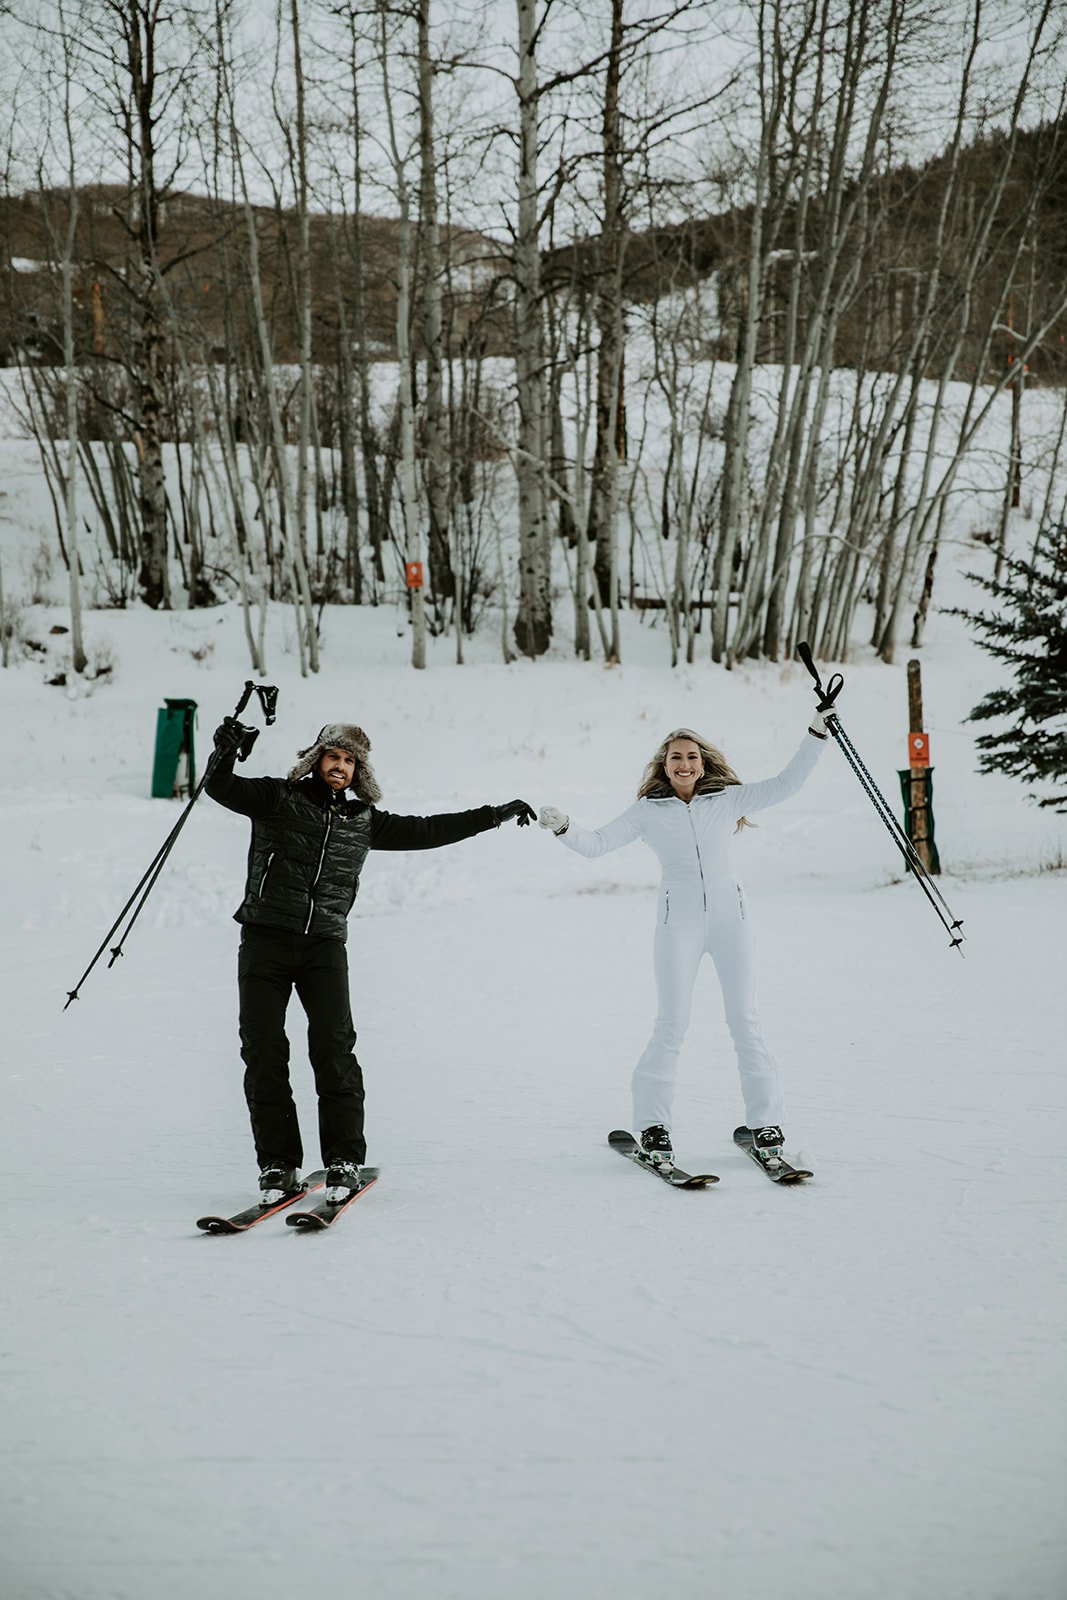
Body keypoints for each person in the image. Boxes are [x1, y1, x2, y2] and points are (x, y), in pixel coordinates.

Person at [207, 718, 535, 1203]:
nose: (339, 766)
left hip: (323, 946)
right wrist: (225, 751)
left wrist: (493, 814)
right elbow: (220, 787)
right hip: (265, 940)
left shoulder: (364, 821)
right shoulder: (278, 798)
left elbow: (429, 831)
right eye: (332, 756)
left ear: (358, 770)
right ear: (316, 759)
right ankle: (278, 1164)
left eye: (349, 760)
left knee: (334, 1051)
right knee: (263, 1051)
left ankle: (343, 1158)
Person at [538, 708, 834, 1169]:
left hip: (730, 918)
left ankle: (767, 1124)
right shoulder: (648, 812)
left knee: (745, 1019)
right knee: (671, 1023)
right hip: (679, 923)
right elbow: (596, 843)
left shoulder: (728, 799)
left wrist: (817, 734)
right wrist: (562, 827)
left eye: (692, 756)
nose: (685, 764)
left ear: (703, 761)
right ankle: (653, 1127)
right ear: (664, 765)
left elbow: (785, 785)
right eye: (676, 757)